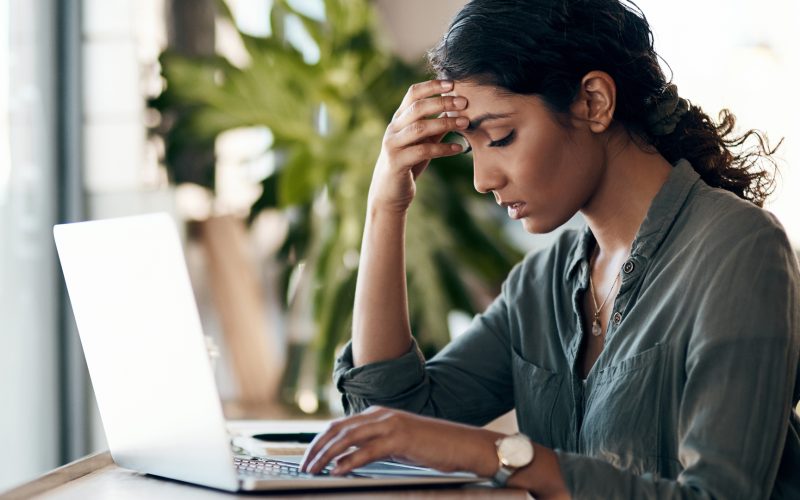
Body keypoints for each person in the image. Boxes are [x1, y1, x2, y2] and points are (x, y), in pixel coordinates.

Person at [299, 0, 800, 497]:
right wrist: (385, 205)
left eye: (500, 137)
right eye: (470, 146)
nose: (482, 179)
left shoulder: (740, 250)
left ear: (593, 102)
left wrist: (496, 454)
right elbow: (387, 426)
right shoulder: (541, 285)